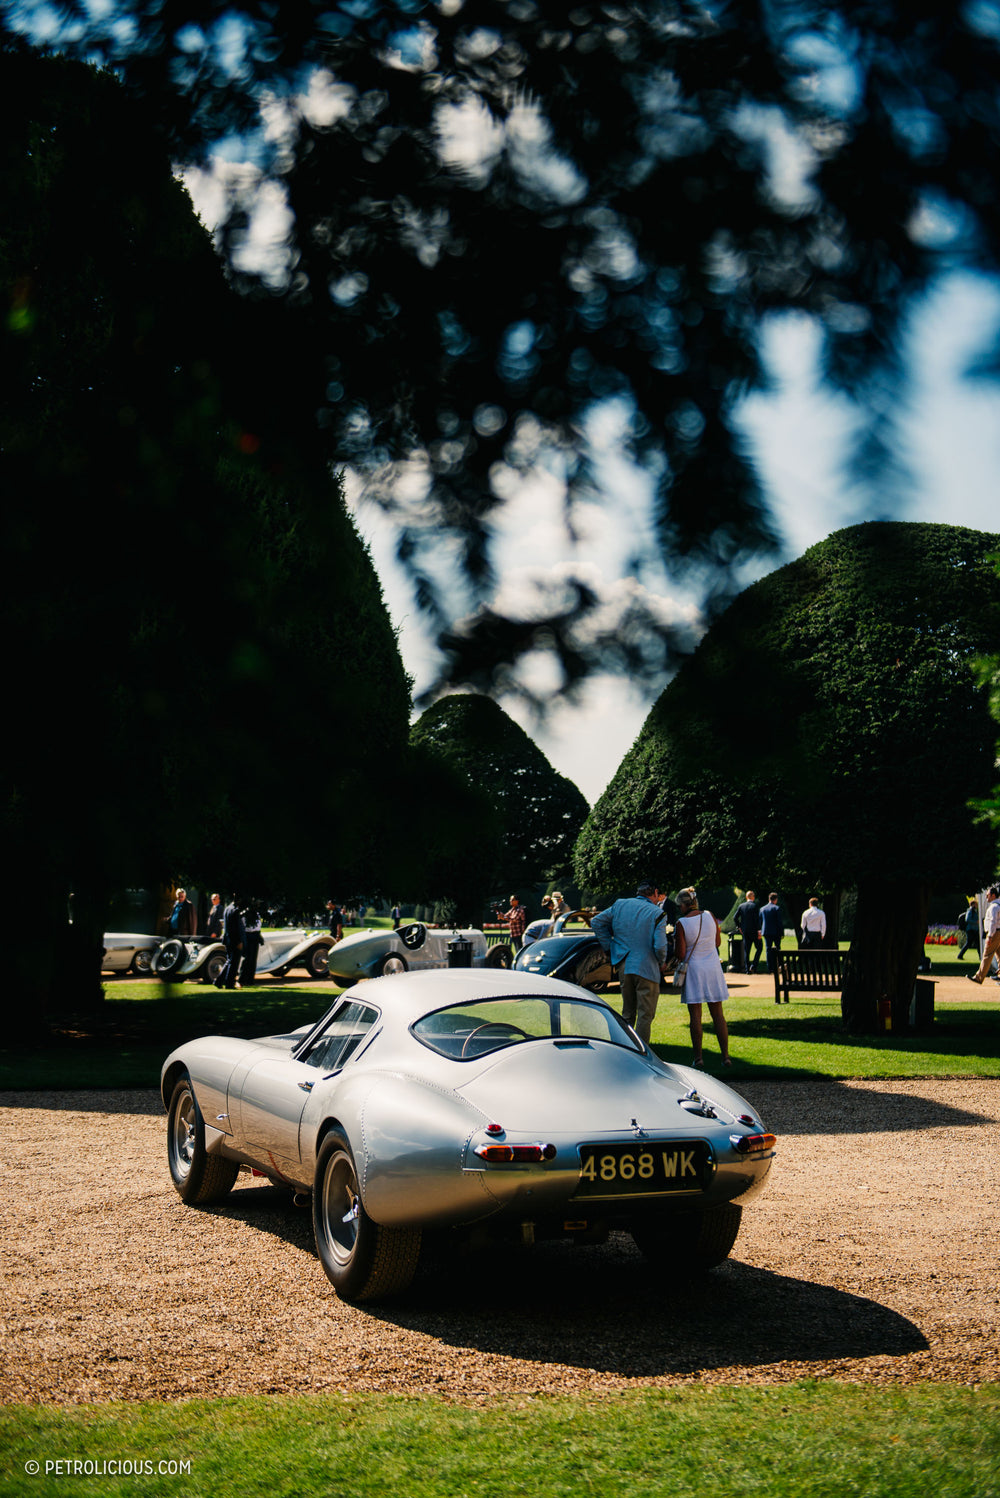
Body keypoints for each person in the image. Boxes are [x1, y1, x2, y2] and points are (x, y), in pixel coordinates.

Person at [591, 881, 670, 1046]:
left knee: (627, 1013)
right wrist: (662, 962)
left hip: (624, 964)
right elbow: (660, 945)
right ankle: (641, 1052)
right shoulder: (658, 913)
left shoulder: (620, 904)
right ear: (655, 892)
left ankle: (624, 1047)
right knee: (645, 1015)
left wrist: (609, 946)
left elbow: (597, 922)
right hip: (647, 966)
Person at [674, 886, 731, 1068]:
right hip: (713, 967)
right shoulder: (710, 916)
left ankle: (698, 1058)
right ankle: (726, 1057)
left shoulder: (681, 923)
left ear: (684, 905)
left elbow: (681, 954)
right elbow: (717, 942)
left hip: (695, 971)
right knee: (718, 1015)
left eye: (679, 906)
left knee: (695, 1017)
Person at [967, 887, 1000, 985]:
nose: (986, 898)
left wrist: (990, 936)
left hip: (994, 933)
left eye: (988, 895)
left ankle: (979, 977)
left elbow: (993, 922)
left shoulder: (994, 907)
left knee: (987, 955)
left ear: (993, 895)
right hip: (998, 932)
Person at [216, 894, 246, 990]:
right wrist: (239, 941)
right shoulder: (235, 911)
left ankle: (219, 980)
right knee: (233, 963)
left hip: (228, 939)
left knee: (229, 961)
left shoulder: (227, 909)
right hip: (234, 940)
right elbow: (235, 928)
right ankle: (229, 983)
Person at [734, 889, 762, 974]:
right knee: (759, 948)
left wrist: (739, 927)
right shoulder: (755, 906)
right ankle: (754, 965)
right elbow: (757, 920)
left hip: (745, 931)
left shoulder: (741, 906)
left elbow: (735, 917)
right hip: (754, 931)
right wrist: (759, 931)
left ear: (746, 897)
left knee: (747, 950)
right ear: (753, 897)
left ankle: (747, 970)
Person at [760, 892, 784, 974]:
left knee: (768, 949)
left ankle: (769, 967)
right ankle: (779, 966)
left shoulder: (762, 909)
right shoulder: (776, 908)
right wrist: (782, 932)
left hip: (766, 931)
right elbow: (779, 922)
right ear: (775, 899)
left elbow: (760, 921)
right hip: (776, 932)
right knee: (778, 948)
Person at [241, 900, 263, 985]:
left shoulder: (257, 914)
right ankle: (243, 979)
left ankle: (250, 979)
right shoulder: (245, 914)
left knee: (253, 959)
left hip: (255, 935)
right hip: (248, 935)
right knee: (247, 959)